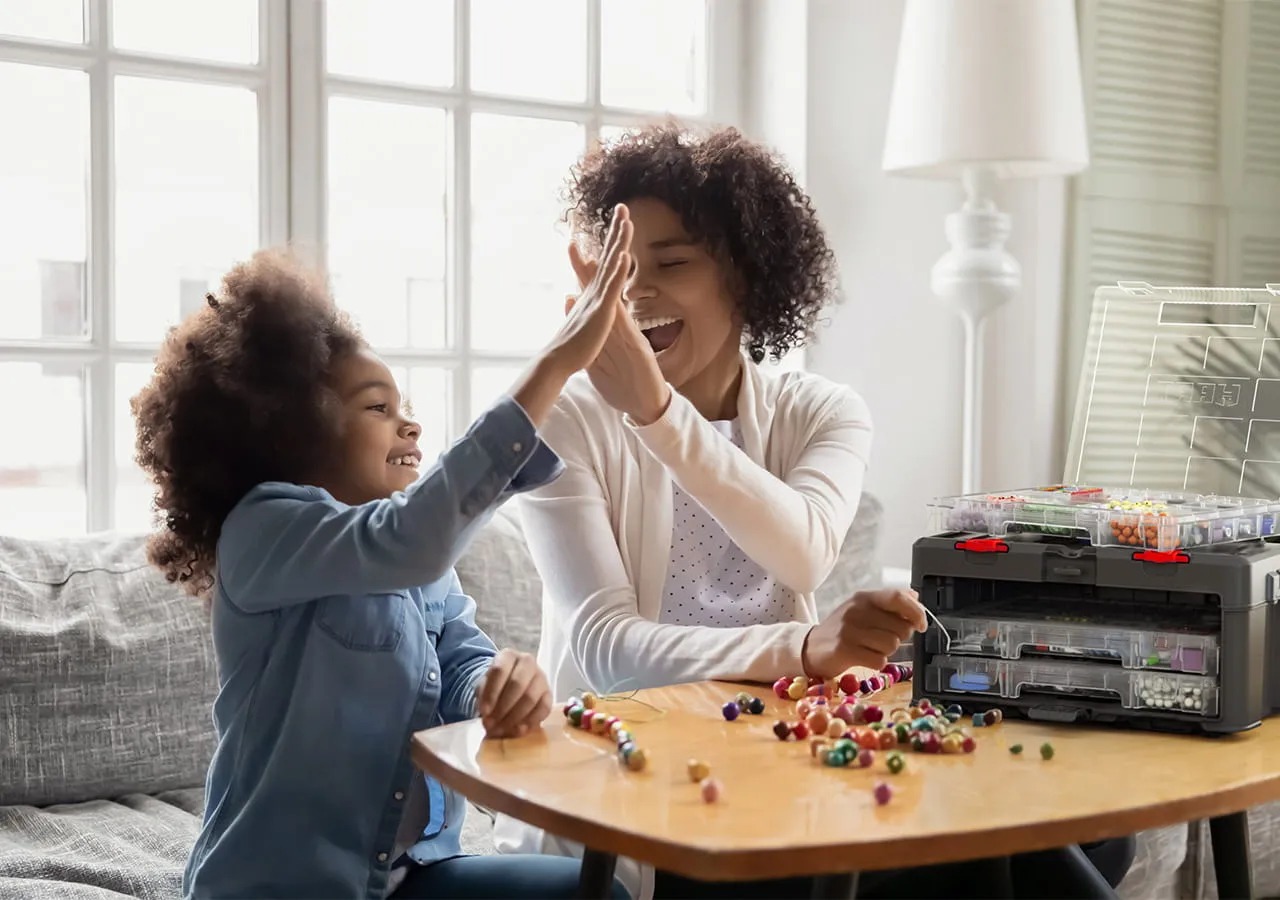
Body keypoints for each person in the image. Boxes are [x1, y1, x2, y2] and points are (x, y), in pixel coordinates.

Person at [494, 122, 1134, 899]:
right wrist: (804, 649)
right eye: (620, 271)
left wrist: (659, 414)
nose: (637, 294)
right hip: (647, 786)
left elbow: (802, 554)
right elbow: (609, 654)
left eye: (672, 263)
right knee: (1012, 862)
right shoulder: (566, 416)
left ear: (747, 276)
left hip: (796, 752)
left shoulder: (823, 411)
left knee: (1066, 834)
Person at [131, 212, 636, 900]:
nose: (410, 423)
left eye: (404, 405)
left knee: (596, 892)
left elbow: (460, 664)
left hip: (411, 879)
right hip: (281, 887)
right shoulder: (264, 530)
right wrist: (556, 364)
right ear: (292, 427)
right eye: (376, 407)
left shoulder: (418, 563)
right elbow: (411, 540)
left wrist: (501, 687)